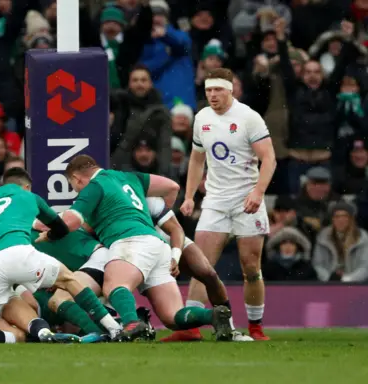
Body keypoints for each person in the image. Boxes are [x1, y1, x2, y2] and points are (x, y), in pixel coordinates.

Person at [41, 155, 233, 341]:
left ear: (75, 178)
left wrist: (50, 234)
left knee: (114, 286)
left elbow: (71, 222)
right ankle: (213, 315)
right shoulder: (129, 177)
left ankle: (132, 324)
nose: (75, 190)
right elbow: (172, 186)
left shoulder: (94, 186)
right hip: (157, 244)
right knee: (172, 317)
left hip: (130, 242)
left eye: (72, 185)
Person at [0, 167, 123, 342]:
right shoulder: (29, 197)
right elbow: (61, 228)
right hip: (21, 254)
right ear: (26, 187)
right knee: (68, 279)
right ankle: (113, 328)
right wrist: (48, 236)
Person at [180, 68, 277, 341]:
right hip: (215, 200)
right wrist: (189, 196)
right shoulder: (202, 118)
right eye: (209, 90)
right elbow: (197, 159)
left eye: (218, 90)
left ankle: (255, 327)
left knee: (250, 267)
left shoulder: (249, 118)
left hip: (247, 198)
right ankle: (190, 327)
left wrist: (258, 193)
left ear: (230, 89)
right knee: (201, 265)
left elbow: (269, 159)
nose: (212, 95)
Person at [146, 196, 252, 342]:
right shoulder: (107, 194)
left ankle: (229, 330)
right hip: (131, 245)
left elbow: (172, 188)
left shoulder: (141, 187)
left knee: (209, 274)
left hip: (163, 237)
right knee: (171, 318)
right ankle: (117, 326)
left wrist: (188, 197)